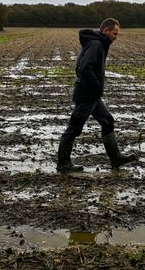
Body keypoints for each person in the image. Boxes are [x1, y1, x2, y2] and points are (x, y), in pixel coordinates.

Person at [57, 18, 137, 171]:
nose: (116, 36)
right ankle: (63, 163)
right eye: (114, 33)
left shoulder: (98, 43)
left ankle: (116, 159)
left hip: (92, 95)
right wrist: (97, 85)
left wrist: (96, 89)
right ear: (106, 31)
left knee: (107, 121)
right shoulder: (96, 44)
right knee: (74, 127)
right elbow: (83, 67)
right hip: (87, 94)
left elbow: (83, 67)